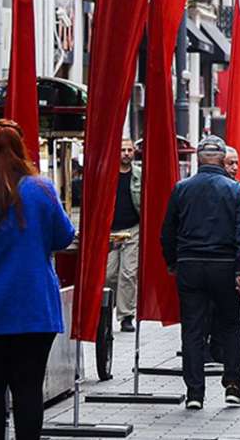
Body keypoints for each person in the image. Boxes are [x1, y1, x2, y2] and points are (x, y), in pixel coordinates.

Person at [0, 119, 76, 440]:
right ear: (20, 149)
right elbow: (64, 236)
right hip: (34, 310)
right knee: (28, 390)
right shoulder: (42, 190)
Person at [161, 135, 240, 410]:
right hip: (224, 265)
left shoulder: (181, 189)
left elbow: (167, 231)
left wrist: (173, 261)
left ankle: (195, 393)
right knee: (230, 325)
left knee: (192, 329)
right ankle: (232, 384)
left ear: (198, 158)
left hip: (190, 264)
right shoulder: (236, 190)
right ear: (221, 159)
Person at [106, 138, 141, 332]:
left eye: (129, 150)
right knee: (109, 274)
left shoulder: (139, 175)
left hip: (132, 229)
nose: (126, 153)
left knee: (128, 273)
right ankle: (106, 309)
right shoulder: (108, 175)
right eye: (122, 150)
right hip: (110, 231)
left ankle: (126, 316)